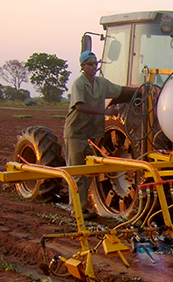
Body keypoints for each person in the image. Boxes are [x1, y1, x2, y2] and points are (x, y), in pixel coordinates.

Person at [63, 51, 136, 220]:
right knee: (76, 173)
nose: (94, 67)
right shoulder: (78, 84)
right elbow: (79, 106)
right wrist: (105, 111)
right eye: (90, 64)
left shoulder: (101, 83)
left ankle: (82, 207)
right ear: (82, 66)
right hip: (76, 133)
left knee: (90, 172)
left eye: (96, 63)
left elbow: (119, 91)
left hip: (91, 133)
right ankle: (76, 211)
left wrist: (140, 90)